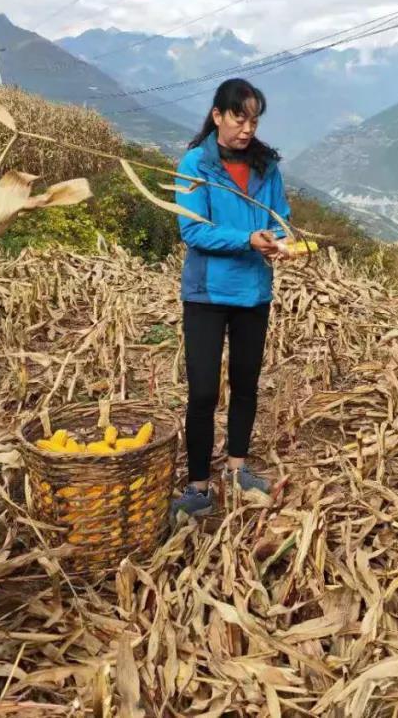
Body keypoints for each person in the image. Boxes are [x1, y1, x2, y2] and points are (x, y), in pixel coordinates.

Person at [170, 78, 292, 518]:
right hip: (206, 293)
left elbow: (282, 218)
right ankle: (199, 485)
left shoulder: (267, 167)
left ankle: (238, 468)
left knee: (246, 385)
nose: (246, 128)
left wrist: (281, 241)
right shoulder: (195, 165)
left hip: (253, 292)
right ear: (218, 115)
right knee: (203, 392)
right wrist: (248, 239)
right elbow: (193, 229)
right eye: (239, 118)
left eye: (253, 119)